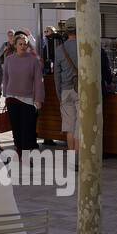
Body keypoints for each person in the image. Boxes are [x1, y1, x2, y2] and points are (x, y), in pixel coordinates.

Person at [0, 33, 44, 158]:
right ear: (15, 45)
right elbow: (5, 78)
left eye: (25, 44)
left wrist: (39, 99)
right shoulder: (9, 59)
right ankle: (19, 151)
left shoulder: (33, 60)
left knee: (27, 130)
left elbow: (38, 80)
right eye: (21, 44)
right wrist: (5, 95)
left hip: (28, 99)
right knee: (16, 129)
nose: (23, 46)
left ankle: (26, 154)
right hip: (12, 98)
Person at [53, 18, 81, 153]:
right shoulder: (83, 46)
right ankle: (78, 157)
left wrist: (59, 94)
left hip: (65, 90)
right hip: (80, 89)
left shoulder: (59, 49)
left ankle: (71, 155)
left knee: (69, 126)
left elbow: (56, 75)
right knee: (79, 125)